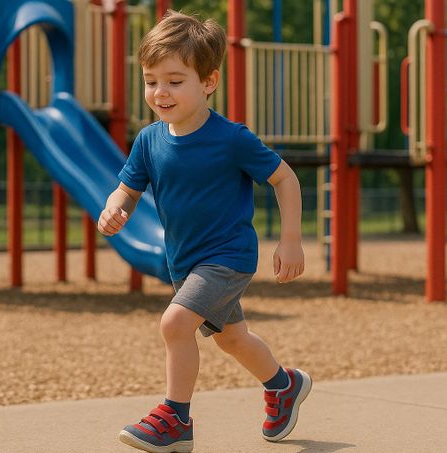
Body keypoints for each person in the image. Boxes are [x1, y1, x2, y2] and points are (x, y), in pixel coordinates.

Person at [97, 10, 310, 453]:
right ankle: (283, 385)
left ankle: (175, 419)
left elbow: (285, 179)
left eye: (175, 81)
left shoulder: (231, 138)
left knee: (175, 324)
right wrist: (114, 208)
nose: (161, 91)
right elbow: (127, 189)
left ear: (209, 82)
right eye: (152, 79)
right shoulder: (149, 140)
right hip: (185, 261)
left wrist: (290, 239)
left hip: (227, 257)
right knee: (233, 339)